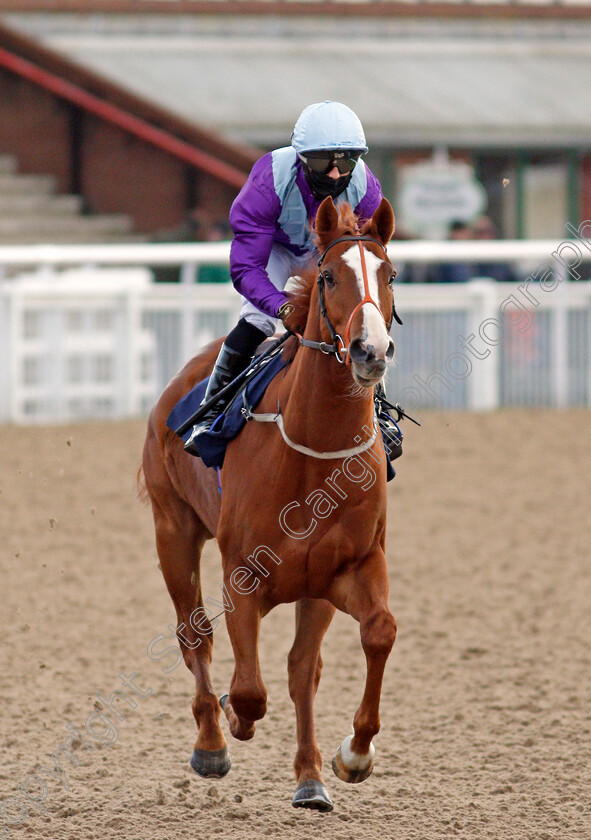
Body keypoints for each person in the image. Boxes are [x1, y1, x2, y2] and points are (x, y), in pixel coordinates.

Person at [185, 100, 388, 455]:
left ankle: (381, 410)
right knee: (258, 319)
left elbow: (368, 256)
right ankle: (212, 409)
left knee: (361, 318)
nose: (337, 174)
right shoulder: (268, 182)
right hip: (277, 249)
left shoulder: (366, 190)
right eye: (325, 162)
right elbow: (246, 269)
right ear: (301, 158)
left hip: (327, 249)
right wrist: (281, 308)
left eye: (347, 161)